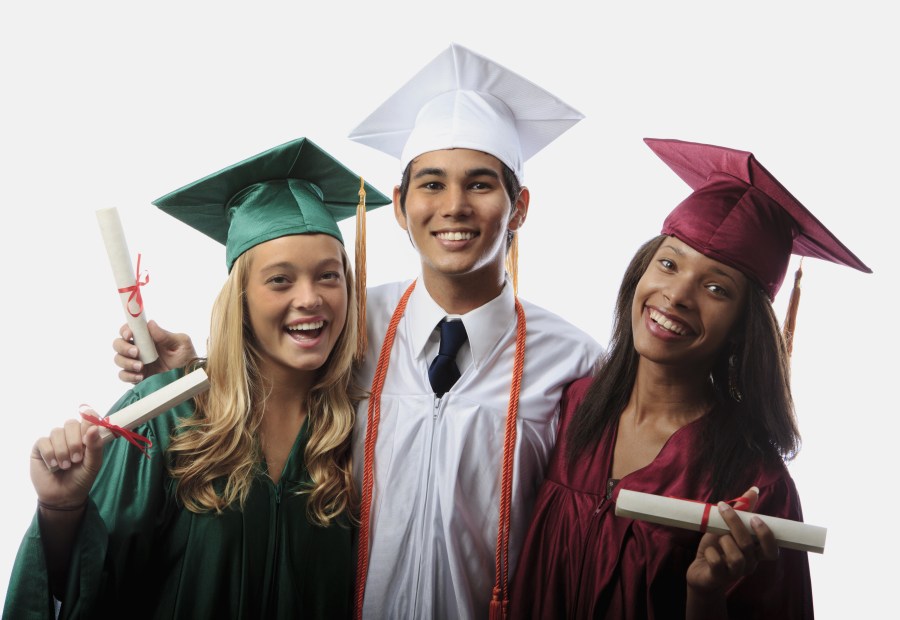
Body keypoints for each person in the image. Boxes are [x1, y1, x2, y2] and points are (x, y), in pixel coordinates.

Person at [111, 44, 603, 619]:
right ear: (399, 205)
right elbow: (264, 359)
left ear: (518, 207)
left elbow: (583, 534)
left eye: (480, 185)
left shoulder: (575, 362)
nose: (454, 207)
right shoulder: (350, 323)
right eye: (432, 184)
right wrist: (192, 370)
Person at [4, 137, 390, 619]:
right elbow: (90, 585)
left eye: (329, 276)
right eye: (280, 279)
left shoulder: (362, 429)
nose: (310, 297)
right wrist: (61, 510)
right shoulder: (165, 417)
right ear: (241, 299)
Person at [510, 138, 872, 619]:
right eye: (669, 262)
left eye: (717, 287)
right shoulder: (567, 407)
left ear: (745, 327)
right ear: (641, 270)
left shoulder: (757, 486)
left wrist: (706, 596)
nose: (678, 294)